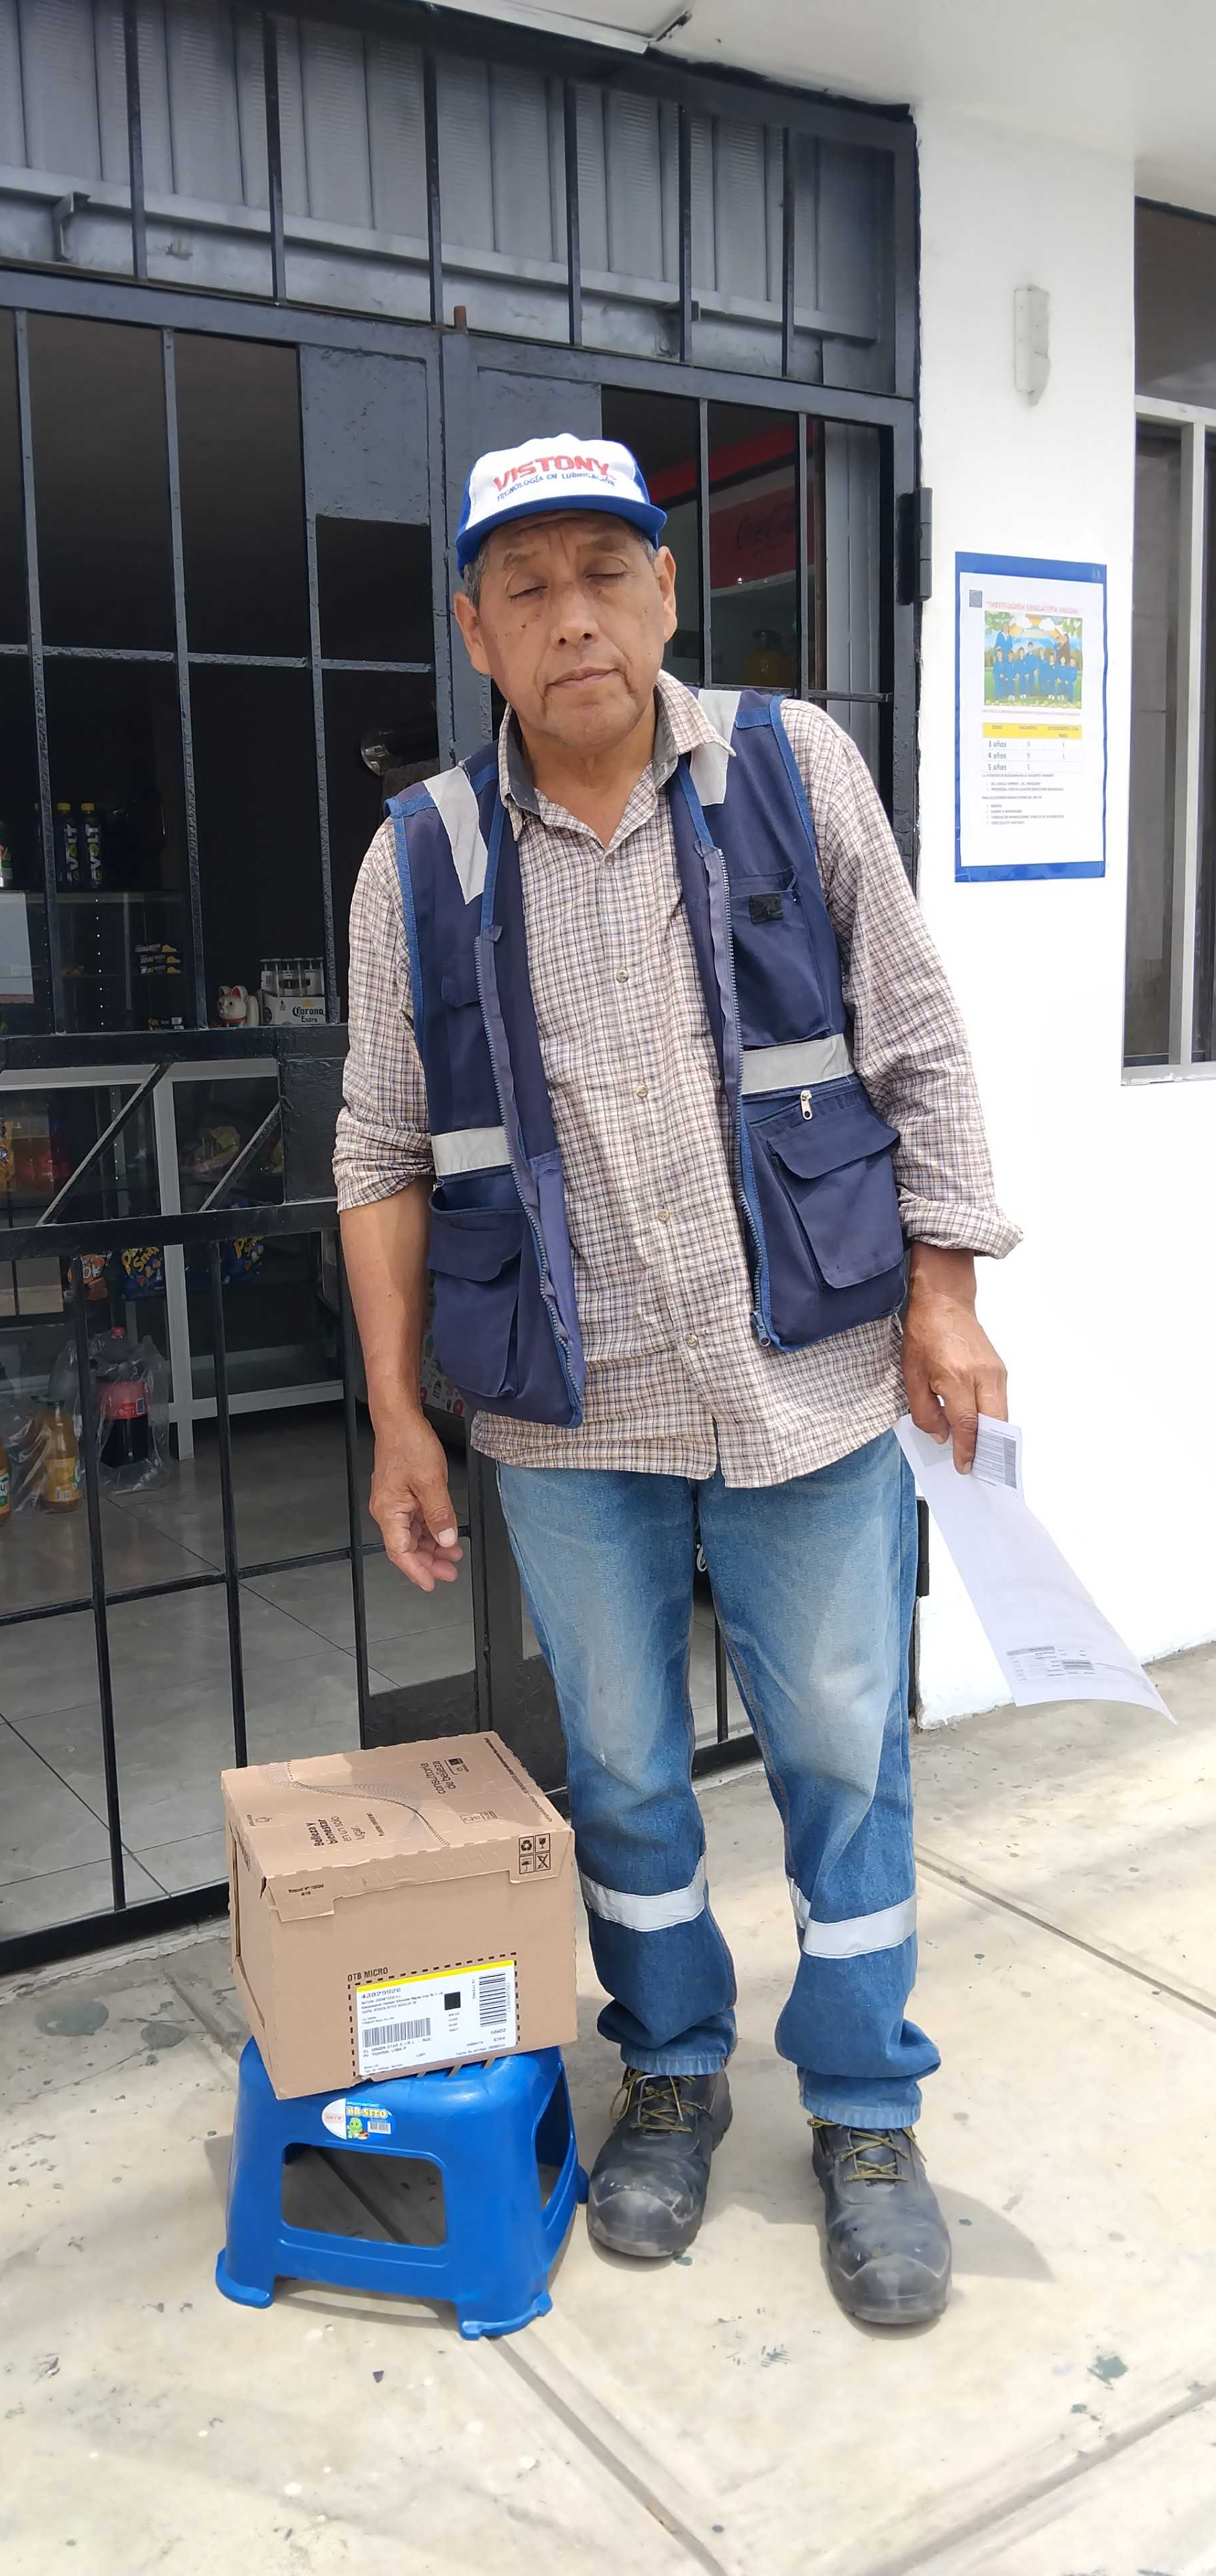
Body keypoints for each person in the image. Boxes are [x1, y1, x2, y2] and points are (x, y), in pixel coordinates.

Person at [333, 437, 1018, 2328]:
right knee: (629, 1770)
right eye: (527, 588)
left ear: (663, 594)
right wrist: (397, 1416)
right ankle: (675, 2071)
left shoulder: (794, 771)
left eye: (606, 574)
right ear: (477, 632)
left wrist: (946, 1293)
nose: (574, 619)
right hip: (570, 1413)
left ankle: (865, 2109)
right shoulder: (424, 857)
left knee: (842, 1756)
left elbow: (918, 1039)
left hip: (807, 1384)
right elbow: (379, 1146)